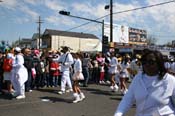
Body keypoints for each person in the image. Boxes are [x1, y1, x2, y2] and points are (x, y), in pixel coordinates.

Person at [114, 49, 175, 116]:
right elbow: (127, 99)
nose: (147, 64)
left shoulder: (170, 80)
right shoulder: (138, 79)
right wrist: (118, 113)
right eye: (144, 62)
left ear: (159, 63)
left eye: (151, 62)